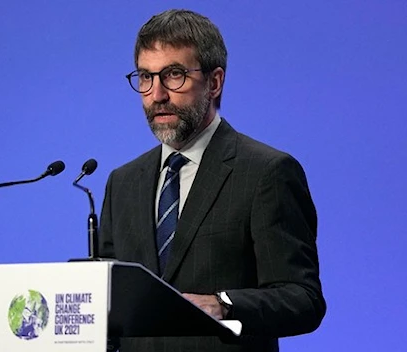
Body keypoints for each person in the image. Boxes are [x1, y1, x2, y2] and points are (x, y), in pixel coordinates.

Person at [98, 9, 326, 352]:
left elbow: (303, 300)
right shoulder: (123, 182)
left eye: (174, 75)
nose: (157, 94)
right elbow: (110, 300)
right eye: (146, 77)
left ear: (215, 82)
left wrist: (223, 305)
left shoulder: (267, 172)